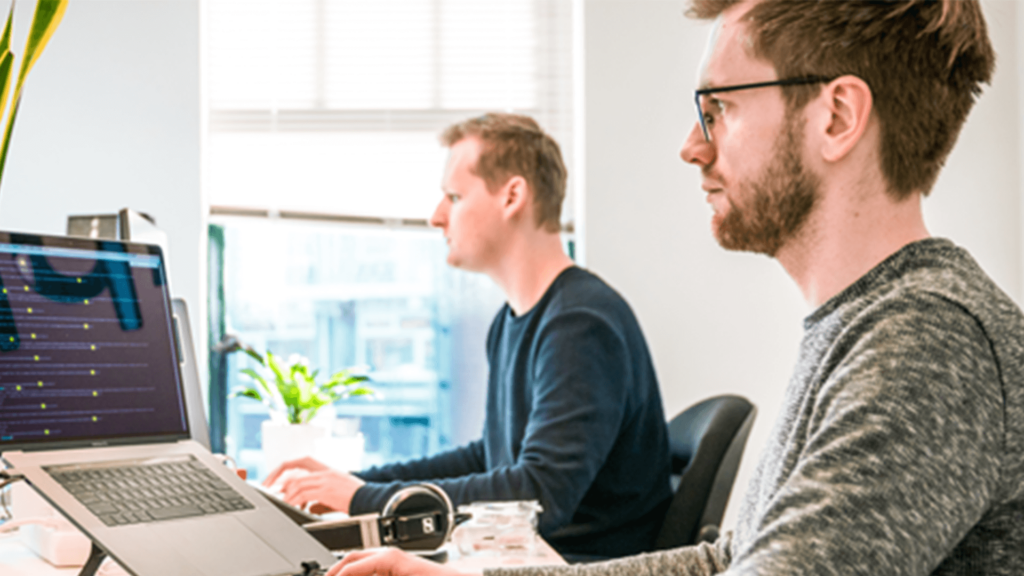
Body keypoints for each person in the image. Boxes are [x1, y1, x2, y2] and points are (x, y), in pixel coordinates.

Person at [326, 1, 1024, 575]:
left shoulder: (928, 342)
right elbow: (730, 559)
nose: (692, 145)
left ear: (836, 118)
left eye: (717, 108)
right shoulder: (862, 324)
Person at [264, 112, 673, 560]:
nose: (436, 217)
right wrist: (357, 484)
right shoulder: (514, 320)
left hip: (577, 566)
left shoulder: (580, 324)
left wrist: (363, 500)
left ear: (512, 196)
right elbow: (489, 458)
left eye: (454, 197)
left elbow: (539, 497)